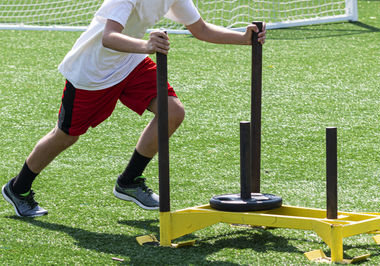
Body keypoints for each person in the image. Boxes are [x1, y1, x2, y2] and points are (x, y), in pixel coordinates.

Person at [2, 0, 266, 217]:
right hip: (93, 71)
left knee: (172, 112)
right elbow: (109, 37)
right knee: (66, 135)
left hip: (130, 62)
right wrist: (146, 46)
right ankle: (19, 187)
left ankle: (129, 181)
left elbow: (201, 30)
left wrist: (244, 39)